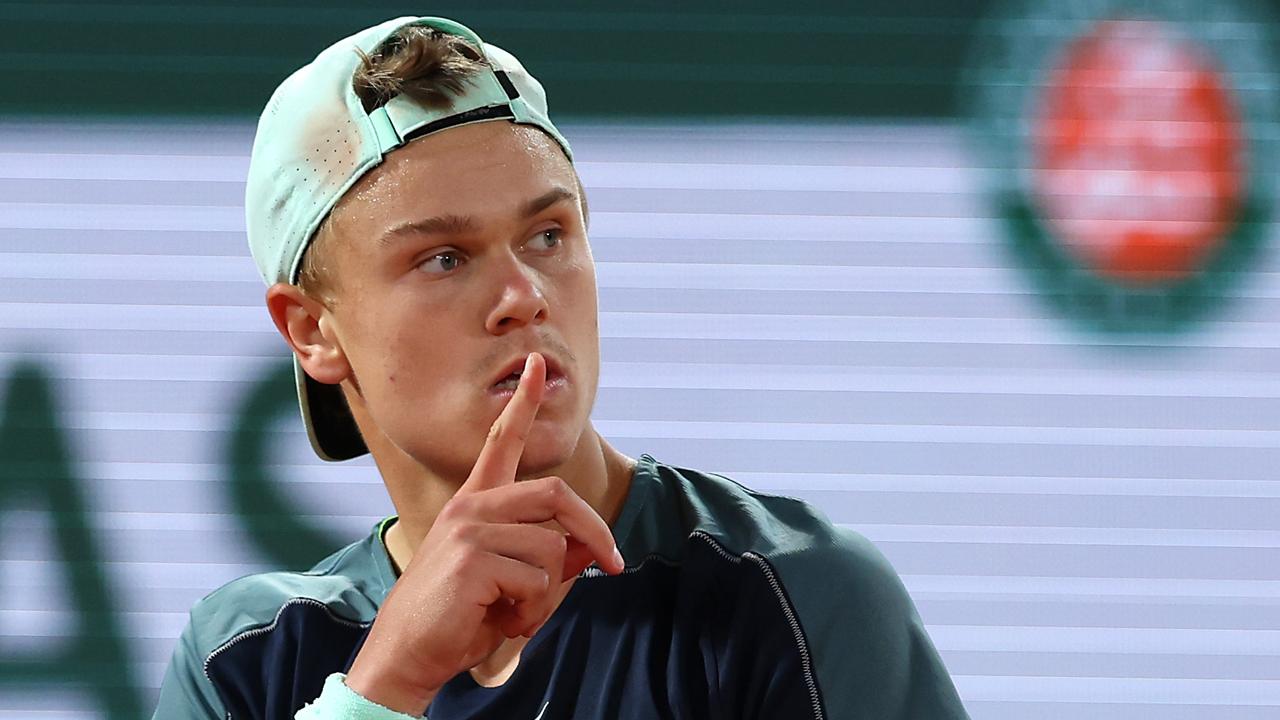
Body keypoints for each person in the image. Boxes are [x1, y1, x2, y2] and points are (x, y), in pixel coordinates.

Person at [152, 14, 970, 720]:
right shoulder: (242, 664)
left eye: (549, 235)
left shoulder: (792, 594)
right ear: (312, 331)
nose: (522, 294)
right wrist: (385, 689)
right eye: (443, 257)